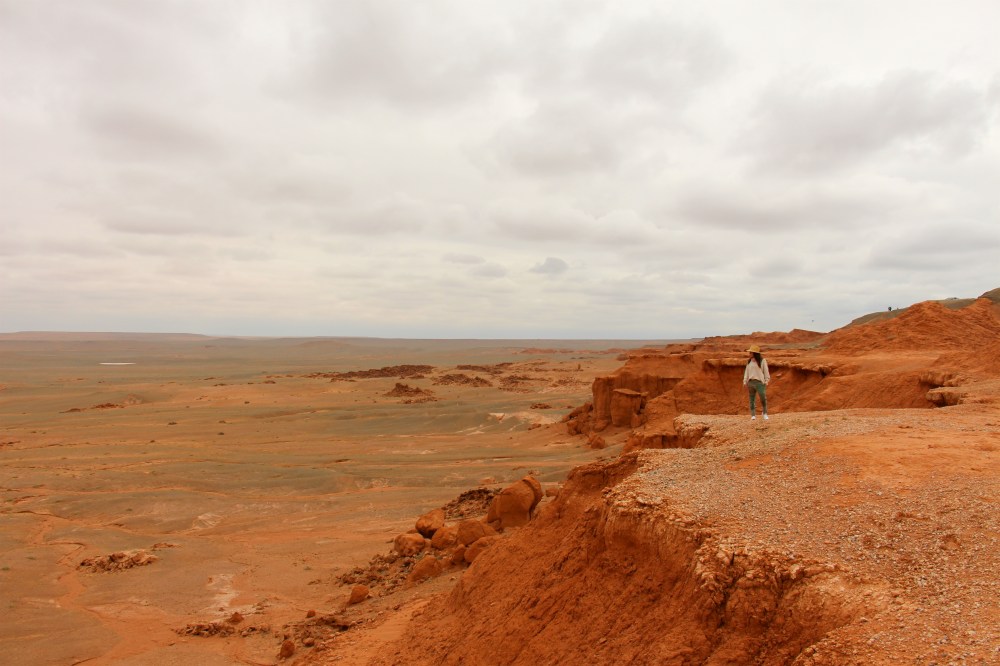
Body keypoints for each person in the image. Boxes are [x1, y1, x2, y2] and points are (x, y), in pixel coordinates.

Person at [742, 345, 770, 420]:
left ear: (755, 353)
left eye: (750, 352)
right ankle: (753, 415)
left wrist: (766, 380)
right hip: (751, 383)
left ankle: (764, 413)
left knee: (763, 398)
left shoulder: (762, 361)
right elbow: (746, 372)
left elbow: (766, 371)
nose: (749, 354)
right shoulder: (749, 361)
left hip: (760, 383)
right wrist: (745, 381)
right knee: (751, 399)